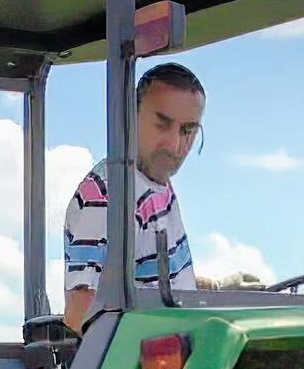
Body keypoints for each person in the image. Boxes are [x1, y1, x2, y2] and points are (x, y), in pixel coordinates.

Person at [60, 62, 204, 329]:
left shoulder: (157, 185)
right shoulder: (107, 196)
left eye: (188, 130)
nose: (174, 145)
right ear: (131, 117)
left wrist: (219, 289)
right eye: (162, 124)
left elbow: (157, 286)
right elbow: (80, 313)